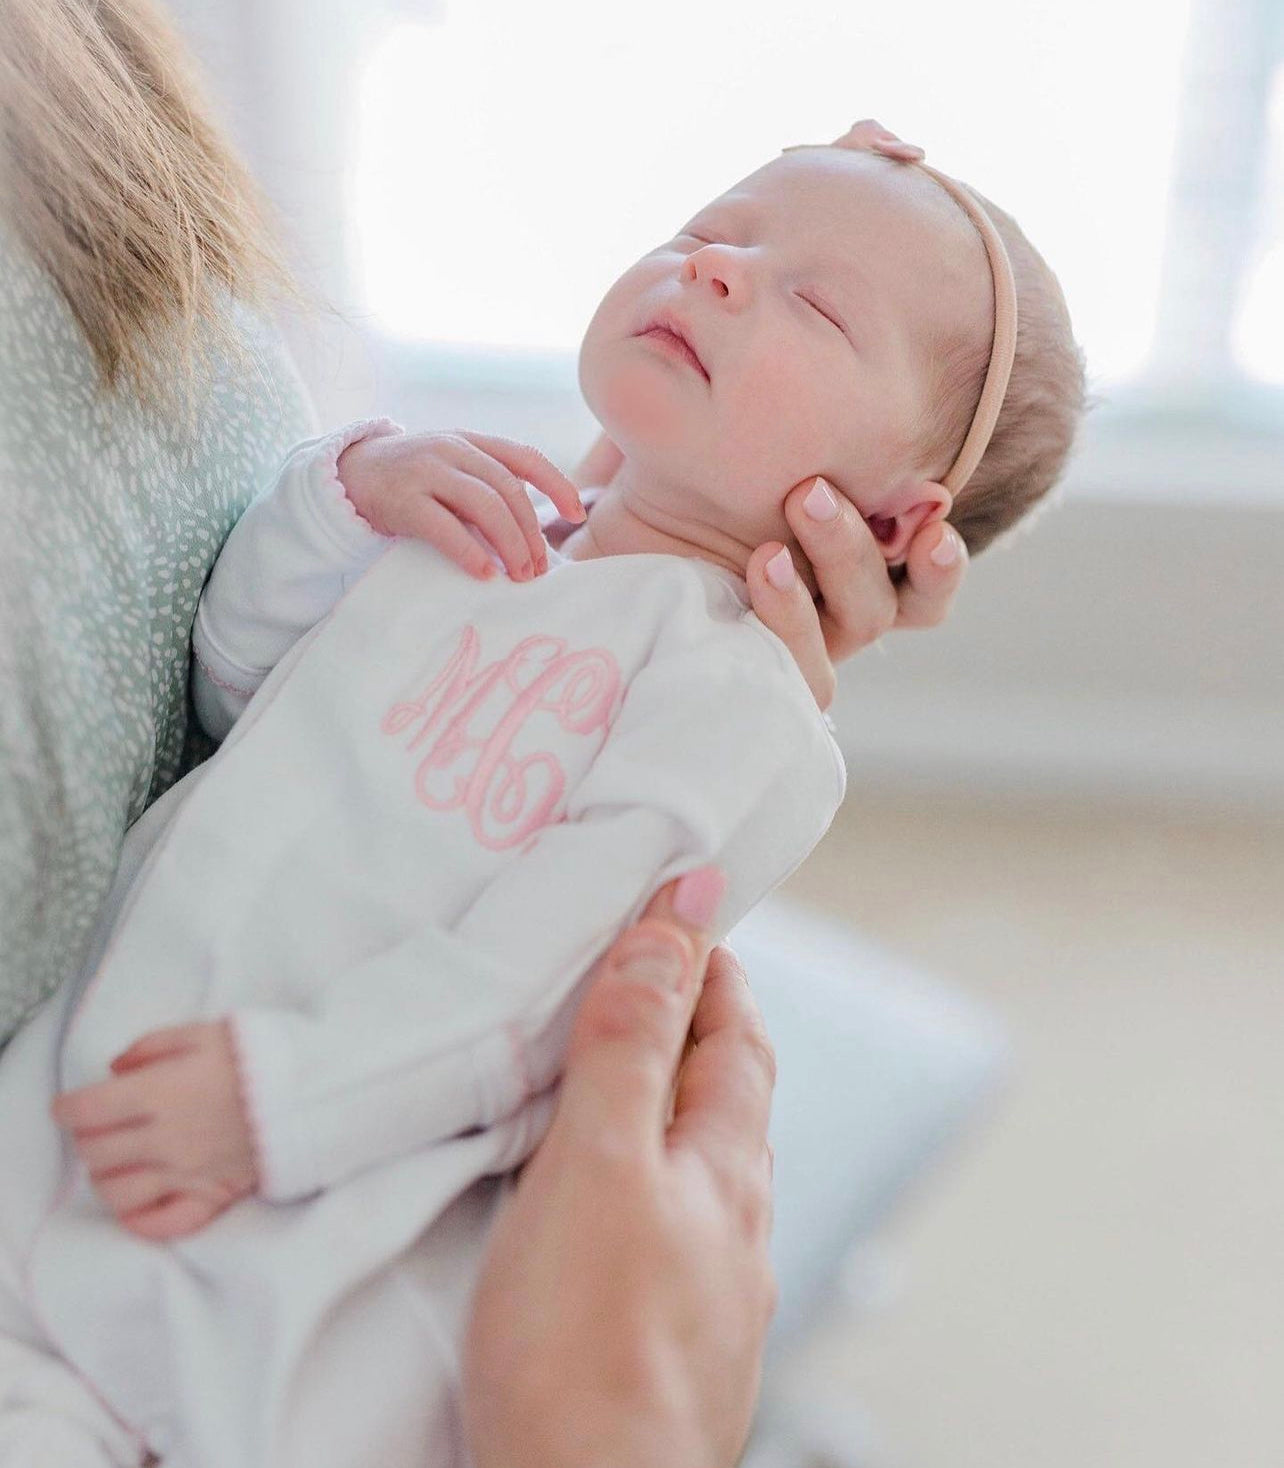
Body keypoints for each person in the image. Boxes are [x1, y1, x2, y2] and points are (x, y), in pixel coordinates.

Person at [5, 118, 1083, 1466]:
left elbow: (536, 984)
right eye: (709, 233)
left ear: (891, 523)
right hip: (95, 1080)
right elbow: (228, 692)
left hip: (289, 1233)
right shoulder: (496, 517)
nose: (720, 271)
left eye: (812, 301)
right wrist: (343, 500)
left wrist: (285, 1101)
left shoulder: (739, 704)